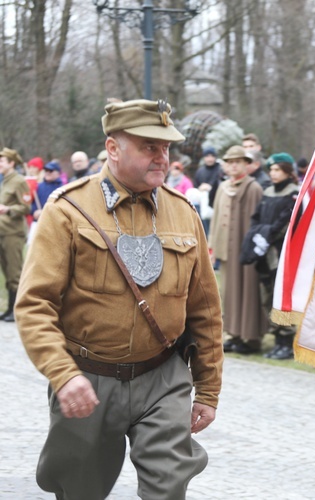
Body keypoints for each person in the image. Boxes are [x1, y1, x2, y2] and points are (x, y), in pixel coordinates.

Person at [15, 99, 224, 499]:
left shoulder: (184, 214)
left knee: (169, 485)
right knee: (80, 490)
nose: (162, 157)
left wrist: (208, 389)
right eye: (149, 146)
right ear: (113, 148)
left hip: (162, 376)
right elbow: (34, 304)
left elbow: (205, 310)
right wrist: (64, 374)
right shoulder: (67, 210)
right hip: (88, 378)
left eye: (166, 148)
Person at [209, 145, 265, 355]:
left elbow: (256, 222)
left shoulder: (253, 188)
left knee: (248, 291)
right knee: (229, 291)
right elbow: (215, 219)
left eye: (238, 162)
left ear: (246, 164)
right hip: (226, 248)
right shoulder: (223, 187)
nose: (233, 166)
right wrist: (212, 244)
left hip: (246, 251)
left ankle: (249, 336)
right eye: (230, 162)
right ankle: (233, 332)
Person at [242, 153, 300, 360]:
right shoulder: (267, 191)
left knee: (280, 296)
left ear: (287, 170)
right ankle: (277, 339)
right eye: (272, 170)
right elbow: (256, 216)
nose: (273, 173)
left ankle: (286, 340)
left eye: (277, 169)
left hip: (279, 252)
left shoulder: (293, 194)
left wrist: (267, 234)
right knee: (268, 296)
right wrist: (257, 234)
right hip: (264, 251)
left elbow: (285, 223)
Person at [0, 147, 31, 322]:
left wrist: (8, 209)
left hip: (13, 233)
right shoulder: (5, 180)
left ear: (11, 163)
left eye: (2, 161)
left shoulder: (19, 181)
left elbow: (26, 207)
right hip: (3, 231)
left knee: (15, 272)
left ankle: (18, 311)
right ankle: (9, 309)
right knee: (6, 271)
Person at [193, 146, 223, 234]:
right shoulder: (200, 171)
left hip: (216, 203)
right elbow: (195, 185)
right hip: (202, 205)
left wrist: (210, 187)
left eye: (212, 156)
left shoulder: (220, 169)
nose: (210, 159)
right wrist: (200, 188)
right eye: (207, 156)